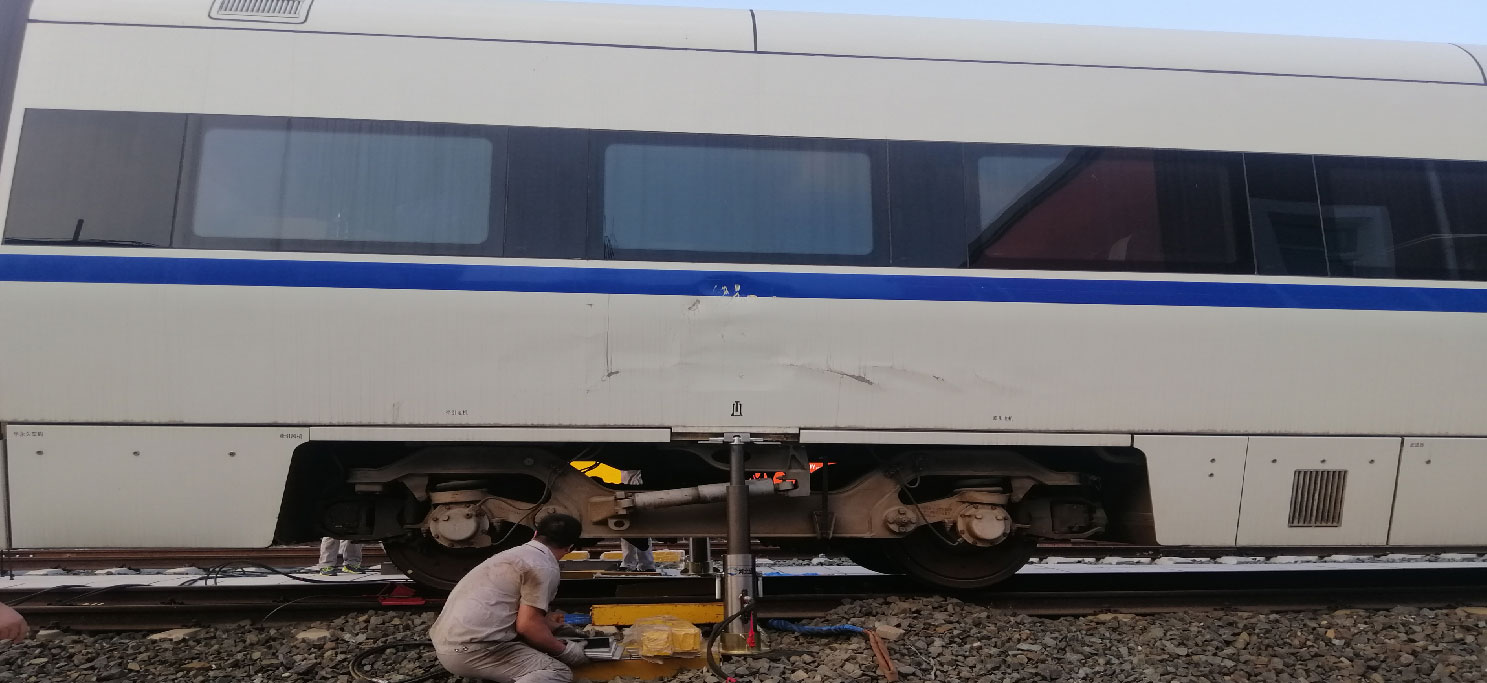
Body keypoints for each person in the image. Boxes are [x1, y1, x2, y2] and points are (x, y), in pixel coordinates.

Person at [430, 513, 590, 682]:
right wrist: (565, 651)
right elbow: (527, 626)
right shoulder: (543, 567)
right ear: (569, 547)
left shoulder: (513, 554)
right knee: (557, 671)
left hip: (449, 644)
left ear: (535, 534)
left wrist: (552, 627)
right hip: (473, 651)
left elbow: (517, 613)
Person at [618, 470, 656, 572]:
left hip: (634, 488)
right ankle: (645, 564)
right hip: (630, 487)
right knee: (635, 528)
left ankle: (636, 563)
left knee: (633, 527)